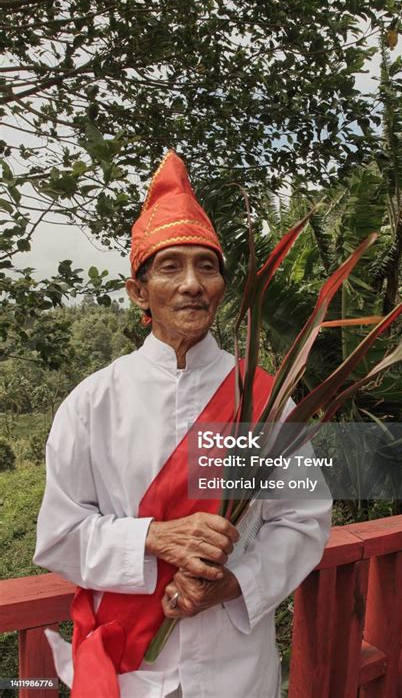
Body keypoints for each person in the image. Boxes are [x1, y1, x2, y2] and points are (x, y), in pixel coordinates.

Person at [33, 150, 332, 698]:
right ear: (138, 291)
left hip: (235, 670)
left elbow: (301, 521)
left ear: (222, 285)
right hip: (125, 666)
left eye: (207, 265)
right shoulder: (92, 403)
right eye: (171, 266)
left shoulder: (267, 402)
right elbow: (60, 536)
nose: (192, 282)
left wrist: (232, 585)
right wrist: (154, 537)